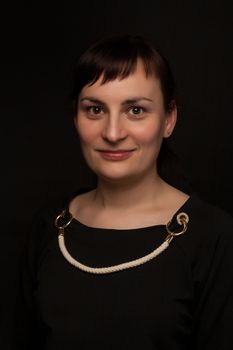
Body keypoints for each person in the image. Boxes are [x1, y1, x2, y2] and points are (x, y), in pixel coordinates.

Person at [13, 35, 233, 349]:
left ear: (169, 119)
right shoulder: (49, 228)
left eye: (136, 111)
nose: (113, 133)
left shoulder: (214, 237)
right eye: (94, 110)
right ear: (75, 117)